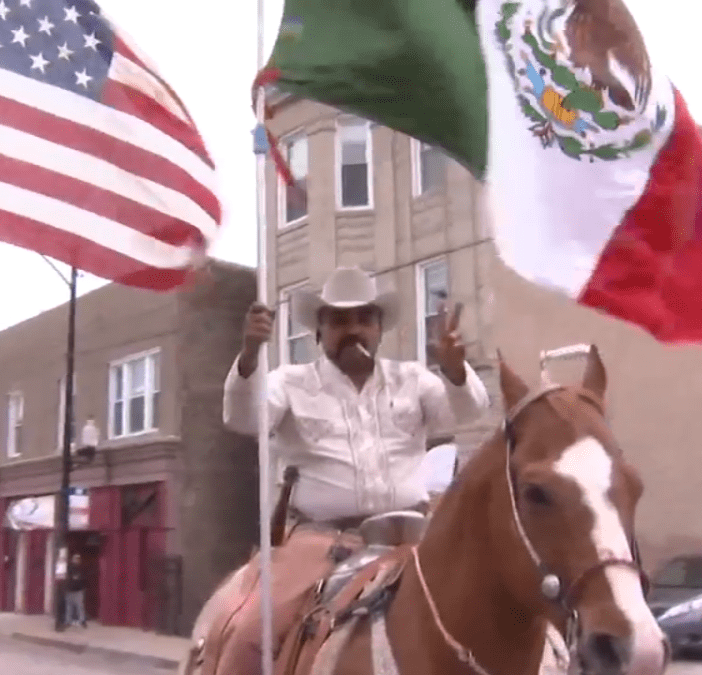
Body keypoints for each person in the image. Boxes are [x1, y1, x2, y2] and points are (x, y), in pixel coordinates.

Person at [209, 266, 491, 675]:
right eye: (339, 321)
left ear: (379, 329)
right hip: (321, 541)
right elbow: (244, 419)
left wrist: (454, 371)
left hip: (413, 536)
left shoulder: (411, 379)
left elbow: (469, 411)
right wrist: (250, 355)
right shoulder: (290, 382)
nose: (353, 330)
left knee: (494, 606)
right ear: (319, 331)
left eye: (364, 319)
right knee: (252, 633)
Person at [64, 553, 88, 628]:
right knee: (69, 607)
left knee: (79, 606)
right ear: (73, 560)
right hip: (70, 590)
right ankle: (68, 621)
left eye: (78, 559)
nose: (77, 560)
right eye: (75, 559)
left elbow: (84, 578)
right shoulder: (69, 568)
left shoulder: (82, 569)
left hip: (78, 590)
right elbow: (67, 577)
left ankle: (82, 621)